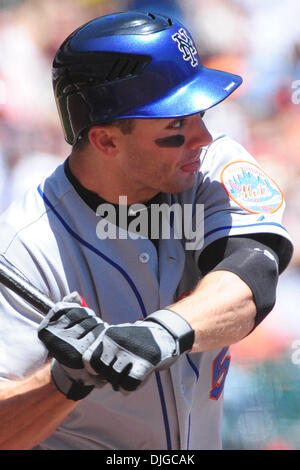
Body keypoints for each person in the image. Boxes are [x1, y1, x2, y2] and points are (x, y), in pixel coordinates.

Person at [0, 11, 293, 451]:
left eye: (199, 114)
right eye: (176, 126)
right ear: (106, 141)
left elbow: (253, 277)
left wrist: (159, 333)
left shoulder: (211, 169)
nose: (203, 137)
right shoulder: (26, 247)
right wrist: (64, 381)